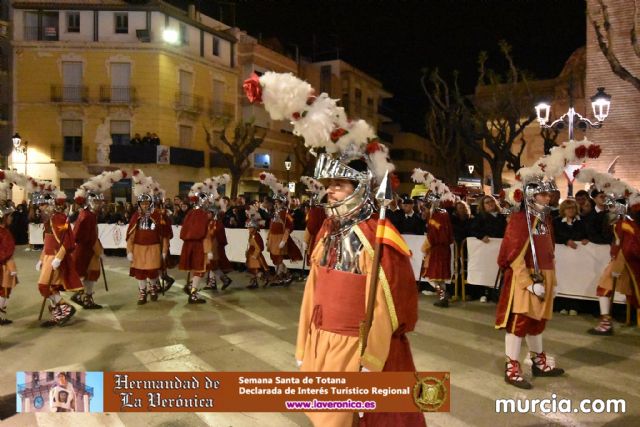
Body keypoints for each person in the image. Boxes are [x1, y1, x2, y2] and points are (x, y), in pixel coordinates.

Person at [496, 178, 564, 389]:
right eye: (543, 194)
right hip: (525, 277)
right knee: (519, 323)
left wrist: (553, 281)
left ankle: (537, 361)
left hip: (545, 276)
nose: (548, 197)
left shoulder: (545, 218)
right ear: (530, 196)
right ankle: (512, 367)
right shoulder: (519, 219)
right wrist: (528, 283)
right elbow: (513, 256)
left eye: (548, 194)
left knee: (537, 322)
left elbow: (549, 252)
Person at [572, 169, 640, 336]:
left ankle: (605, 323)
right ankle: (605, 322)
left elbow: (629, 246)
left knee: (605, 287)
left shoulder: (627, 223)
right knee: (604, 288)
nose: (611, 205)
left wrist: (617, 263)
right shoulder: (621, 221)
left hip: (627, 261)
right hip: (623, 260)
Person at [36, 192, 82, 327]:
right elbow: (48, 242)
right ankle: (58, 314)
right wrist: (41, 259)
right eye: (40, 205)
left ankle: (65, 307)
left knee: (44, 286)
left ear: (51, 205)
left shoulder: (60, 219)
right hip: (48, 257)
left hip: (55, 257)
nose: (40, 208)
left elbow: (66, 240)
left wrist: (59, 258)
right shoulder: (48, 220)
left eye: (43, 205)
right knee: (51, 287)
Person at [127, 171, 170, 305]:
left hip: (154, 248)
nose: (145, 205)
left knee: (152, 270)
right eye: (142, 203)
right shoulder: (135, 217)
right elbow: (130, 236)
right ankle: (142, 291)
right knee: (140, 272)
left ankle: (153, 287)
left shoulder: (158, 216)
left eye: (147, 203)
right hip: (139, 249)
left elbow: (164, 235)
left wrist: (164, 251)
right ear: (139, 204)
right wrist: (129, 251)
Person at [260, 173, 303, 286]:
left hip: (280, 237)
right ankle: (287, 274)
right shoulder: (276, 213)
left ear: (282, 203)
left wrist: (284, 240)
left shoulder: (285, 214)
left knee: (278, 257)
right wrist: (269, 236)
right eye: (275, 202)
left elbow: (289, 227)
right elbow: (271, 225)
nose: (276, 204)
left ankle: (280, 276)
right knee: (274, 257)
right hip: (274, 237)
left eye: (277, 202)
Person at [179, 191, 211, 304]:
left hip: (189, 245)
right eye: (206, 201)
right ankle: (193, 293)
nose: (208, 203)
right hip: (199, 245)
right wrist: (208, 249)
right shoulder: (202, 214)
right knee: (199, 270)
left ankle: (190, 286)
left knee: (195, 270)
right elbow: (205, 233)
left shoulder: (190, 213)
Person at [0, 205, 17, 325]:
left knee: (5, 291)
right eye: (10, 216)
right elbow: (5, 251)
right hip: (3, 266)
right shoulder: (3, 232)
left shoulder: (4, 231)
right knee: (4, 290)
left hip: (5, 263)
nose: (11, 219)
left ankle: (2, 316)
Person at [245, 217, 269, 289]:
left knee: (255, 269)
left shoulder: (256, 236)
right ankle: (254, 282)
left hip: (255, 255)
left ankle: (264, 279)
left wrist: (255, 255)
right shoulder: (251, 235)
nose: (248, 229)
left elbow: (259, 247)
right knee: (252, 269)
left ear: (254, 227)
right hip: (251, 254)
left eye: (250, 227)